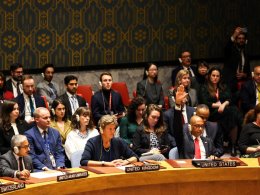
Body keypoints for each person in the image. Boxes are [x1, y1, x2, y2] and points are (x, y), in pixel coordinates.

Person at [199, 67, 243, 156]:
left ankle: (233, 145)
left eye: (217, 76)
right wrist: (218, 105)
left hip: (224, 111)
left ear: (220, 77)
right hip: (212, 113)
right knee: (233, 111)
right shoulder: (204, 87)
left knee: (231, 115)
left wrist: (223, 105)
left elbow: (230, 98)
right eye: (213, 75)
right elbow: (205, 102)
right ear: (209, 76)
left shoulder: (223, 86)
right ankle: (234, 144)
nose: (215, 78)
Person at [172, 85, 216, 159]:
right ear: (190, 127)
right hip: (189, 168)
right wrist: (178, 105)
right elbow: (177, 126)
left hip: (205, 169)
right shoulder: (183, 140)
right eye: (197, 126)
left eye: (201, 126)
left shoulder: (208, 141)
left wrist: (213, 157)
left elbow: (215, 155)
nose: (200, 129)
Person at [223, 26, 251, 104]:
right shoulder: (231, 50)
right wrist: (234, 34)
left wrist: (245, 75)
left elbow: (248, 70)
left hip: (243, 83)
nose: (241, 40)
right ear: (235, 40)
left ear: (245, 40)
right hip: (230, 82)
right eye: (239, 38)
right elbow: (227, 48)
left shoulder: (246, 53)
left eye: (243, 38)